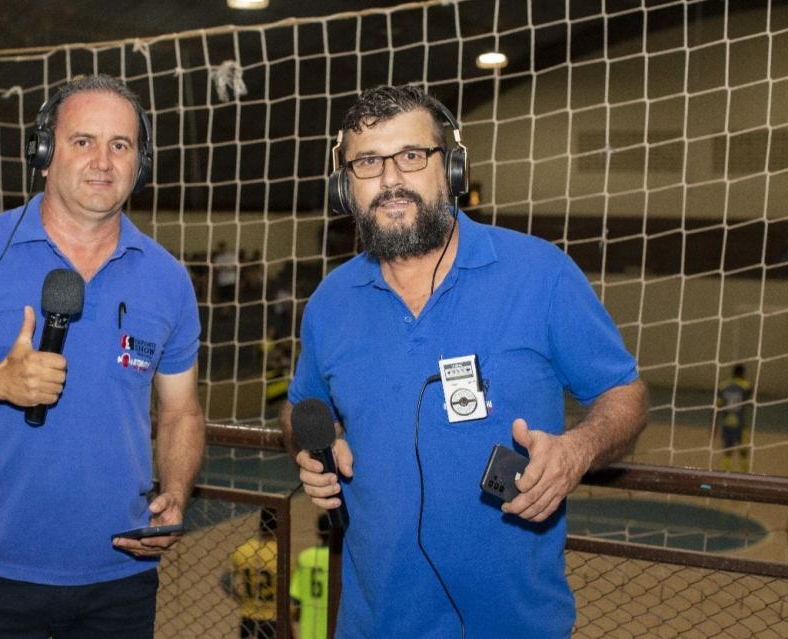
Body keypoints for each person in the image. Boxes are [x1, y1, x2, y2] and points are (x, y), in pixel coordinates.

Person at [281, 85, 648, 638]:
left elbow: (624, 395)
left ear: (450, 169)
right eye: (367, 163)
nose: (390, 180)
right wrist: (312, 446)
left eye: (411, 156)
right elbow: (298, 409)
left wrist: (578, 449)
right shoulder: (331, 302)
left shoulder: (540, 274)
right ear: (344, 185)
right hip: (374, 625)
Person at [0, 74, 205, 638]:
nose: (103, 161)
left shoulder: (168, 279)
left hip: (120, 578)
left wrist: (175, 491)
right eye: (83, 141)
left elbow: (181, 412)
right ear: (44, 154)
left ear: (140, 165)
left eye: (120, 145)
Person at [230, 507, 280, 639]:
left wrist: (238, 597)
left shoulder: (243, 550)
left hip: (248, 615)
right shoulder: (282, 555)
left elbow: (225, 580)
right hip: (272, 617)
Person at [289, 514, 331, 639]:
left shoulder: (305, 557)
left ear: (318, 532)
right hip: (336, 627)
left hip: (310, 629)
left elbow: (295, 597)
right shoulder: (341, 559)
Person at [717, 364, 752, 472]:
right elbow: (750, 401)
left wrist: (714, 425)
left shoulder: (722, 386)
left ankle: (725, 473)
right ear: (742, 374)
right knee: (743, 452)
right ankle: (745, 474)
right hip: (740, 424)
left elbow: (718, 406)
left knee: (727, 450)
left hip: (727, 423)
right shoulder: (746, 386)